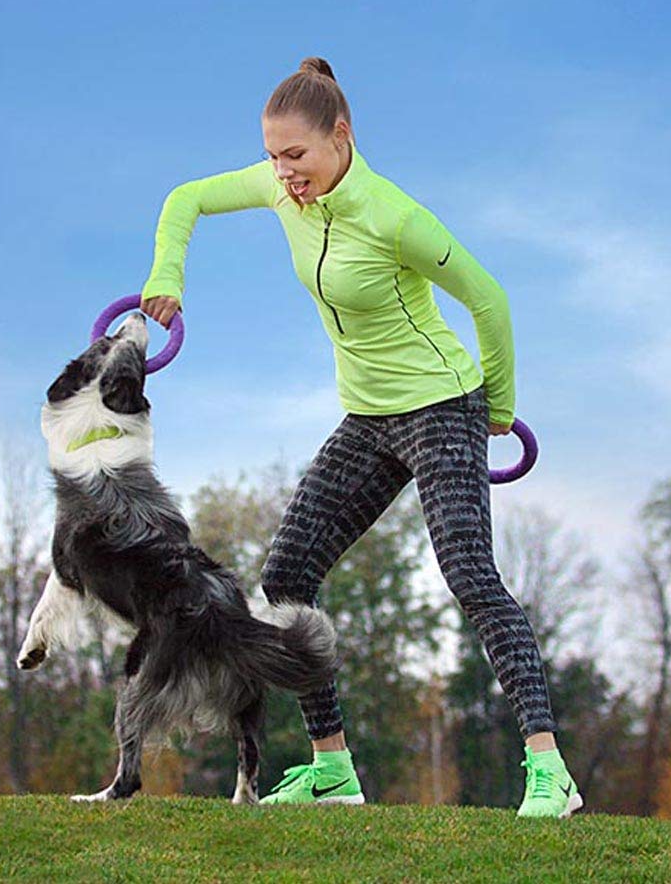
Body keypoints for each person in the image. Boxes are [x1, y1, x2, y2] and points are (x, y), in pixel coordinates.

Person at [141, 57, 581, 818]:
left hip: (444, 406)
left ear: (340, 137)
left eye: (296, 156)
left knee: (471, 575)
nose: (283, 174)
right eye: (274, 157)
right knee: (285, 578)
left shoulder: (394, 216)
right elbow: (185, 200)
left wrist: (498, 408)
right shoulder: (283, 193)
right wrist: (167, 276)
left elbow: (490, 300)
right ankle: (333, 769)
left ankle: (549, 772)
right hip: (369, 418)